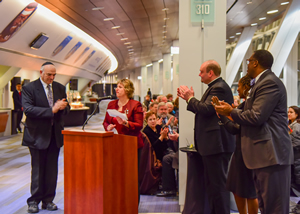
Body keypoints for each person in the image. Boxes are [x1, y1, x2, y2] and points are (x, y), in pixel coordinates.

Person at [214, 50, 293, 214]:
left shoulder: (269, 83)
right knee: (265, 205)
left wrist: (230, 111)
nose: (247, 65)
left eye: (249, 61)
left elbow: (257, 116)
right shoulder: (259, 83)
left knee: (274, 207)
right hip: (261, 155)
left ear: (255, 63)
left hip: (272, 155)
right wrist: (229, 112)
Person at [177, 60, 235, 214]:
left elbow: (206, 109)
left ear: (210, 73)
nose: (199, 74)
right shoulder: (214, 87)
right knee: (212, 187)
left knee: (218, 187)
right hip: (213, 145)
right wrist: (188, 99)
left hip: (217, 145)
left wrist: (190, 98)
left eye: (201, 71)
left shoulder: (219, 88)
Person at [22, 62, 69, 213]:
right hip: (36, 135)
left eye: (54, 75)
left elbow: (67, 108)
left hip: (55, 135)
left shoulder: (60, 87)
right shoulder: (29, 88)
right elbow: (29, 110)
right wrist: (52, 110)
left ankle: (48, 200)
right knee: (37, 169)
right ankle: (34, 201)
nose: (52, 77)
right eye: (49, 74)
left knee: (51, 170)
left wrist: (63, 107)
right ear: (41, 72)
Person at [212, 74, 258, 214]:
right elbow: (235, 124)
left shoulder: (251, 105)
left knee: (250, 192)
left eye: (239, 86)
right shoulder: (244, 104)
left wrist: (225, 116)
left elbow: (236, 128)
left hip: (249, 152)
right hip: (239, 152)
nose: (237, 89)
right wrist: (226, 114)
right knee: (236, 188)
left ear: (246, 87)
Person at [103, 78, 144, 203]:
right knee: (116, 175)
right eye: (117, 86)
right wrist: (108, 127)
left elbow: (139, 125)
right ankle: (118, 202)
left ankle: (132, 204)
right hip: (115, 144)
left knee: (131, 176)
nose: (117, 89)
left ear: (127, 90)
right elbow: (106, 121)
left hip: (132, 145)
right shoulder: (111, 105)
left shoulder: (135, 105)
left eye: (120, 87)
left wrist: (125, 122)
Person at [142, 111, 177, 197]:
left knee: (172, 153)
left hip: (164, 150)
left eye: (154, 119)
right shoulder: (147, 131)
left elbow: (165, 144)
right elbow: (153, 148)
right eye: (150, 119)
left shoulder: (158, 128)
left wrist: (165, 138)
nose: (153, 121)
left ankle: (172, 186)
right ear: (147, 121)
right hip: (155, 155)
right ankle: (168, 188)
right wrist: (161, 137)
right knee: (168, 158)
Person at [288, 106, 300, 214]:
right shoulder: (291, 125)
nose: (289, 114)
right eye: (288, 112)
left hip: (296, 160)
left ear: (297, 114)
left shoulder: (295, 126)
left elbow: (296, 143)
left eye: (291, 112)